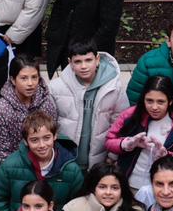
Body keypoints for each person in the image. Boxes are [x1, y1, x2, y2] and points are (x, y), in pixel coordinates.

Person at [106, 76, 173, 207]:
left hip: (158, 189)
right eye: (149, 101)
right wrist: (127, 144)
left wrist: (166, 156)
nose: (154, 107)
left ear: (170, 101)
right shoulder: (131, 115)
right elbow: (109, 141)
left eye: (160, 102)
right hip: (127, 182)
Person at [0, 109, 86, 211]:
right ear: (26, 141)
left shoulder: (71, 170)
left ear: (55, 136)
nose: (42, 145)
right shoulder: (10, 165)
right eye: (34, 140)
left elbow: (78, 205)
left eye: (46, 138)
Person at [47, 41, 126, 170]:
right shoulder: (56, 88)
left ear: (97, 59)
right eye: (78, 61)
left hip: (100, 159)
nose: (83, 66)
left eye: (88, 60)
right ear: (70, 63)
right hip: (64, 159)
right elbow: (49, 124)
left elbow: (120, 123)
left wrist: (113, 155)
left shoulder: (114, 87)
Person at [0, 51, 57, 175]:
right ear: (13, 80)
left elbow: (52, 139)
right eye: (24, 78)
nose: (30, 83)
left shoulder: (46, 103)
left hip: (44, 169)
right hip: (11, 171)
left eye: (34, 77)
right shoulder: (2, 109)